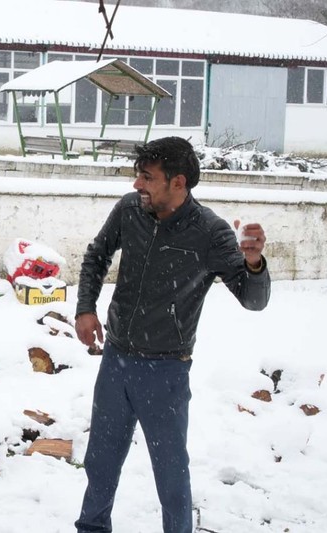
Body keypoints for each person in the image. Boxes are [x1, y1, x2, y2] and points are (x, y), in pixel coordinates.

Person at [73, 136, 271, 533]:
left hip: (164, 373)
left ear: (178, 183)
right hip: (116, 360)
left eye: (147, 177)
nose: (136, 186)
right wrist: (84, 308)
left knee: (170, 476)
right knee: (101, 461)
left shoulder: (210, 232)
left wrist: (253, 263)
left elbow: (253, 300)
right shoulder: (131, 210)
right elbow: (97, 254)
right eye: (137, 176)